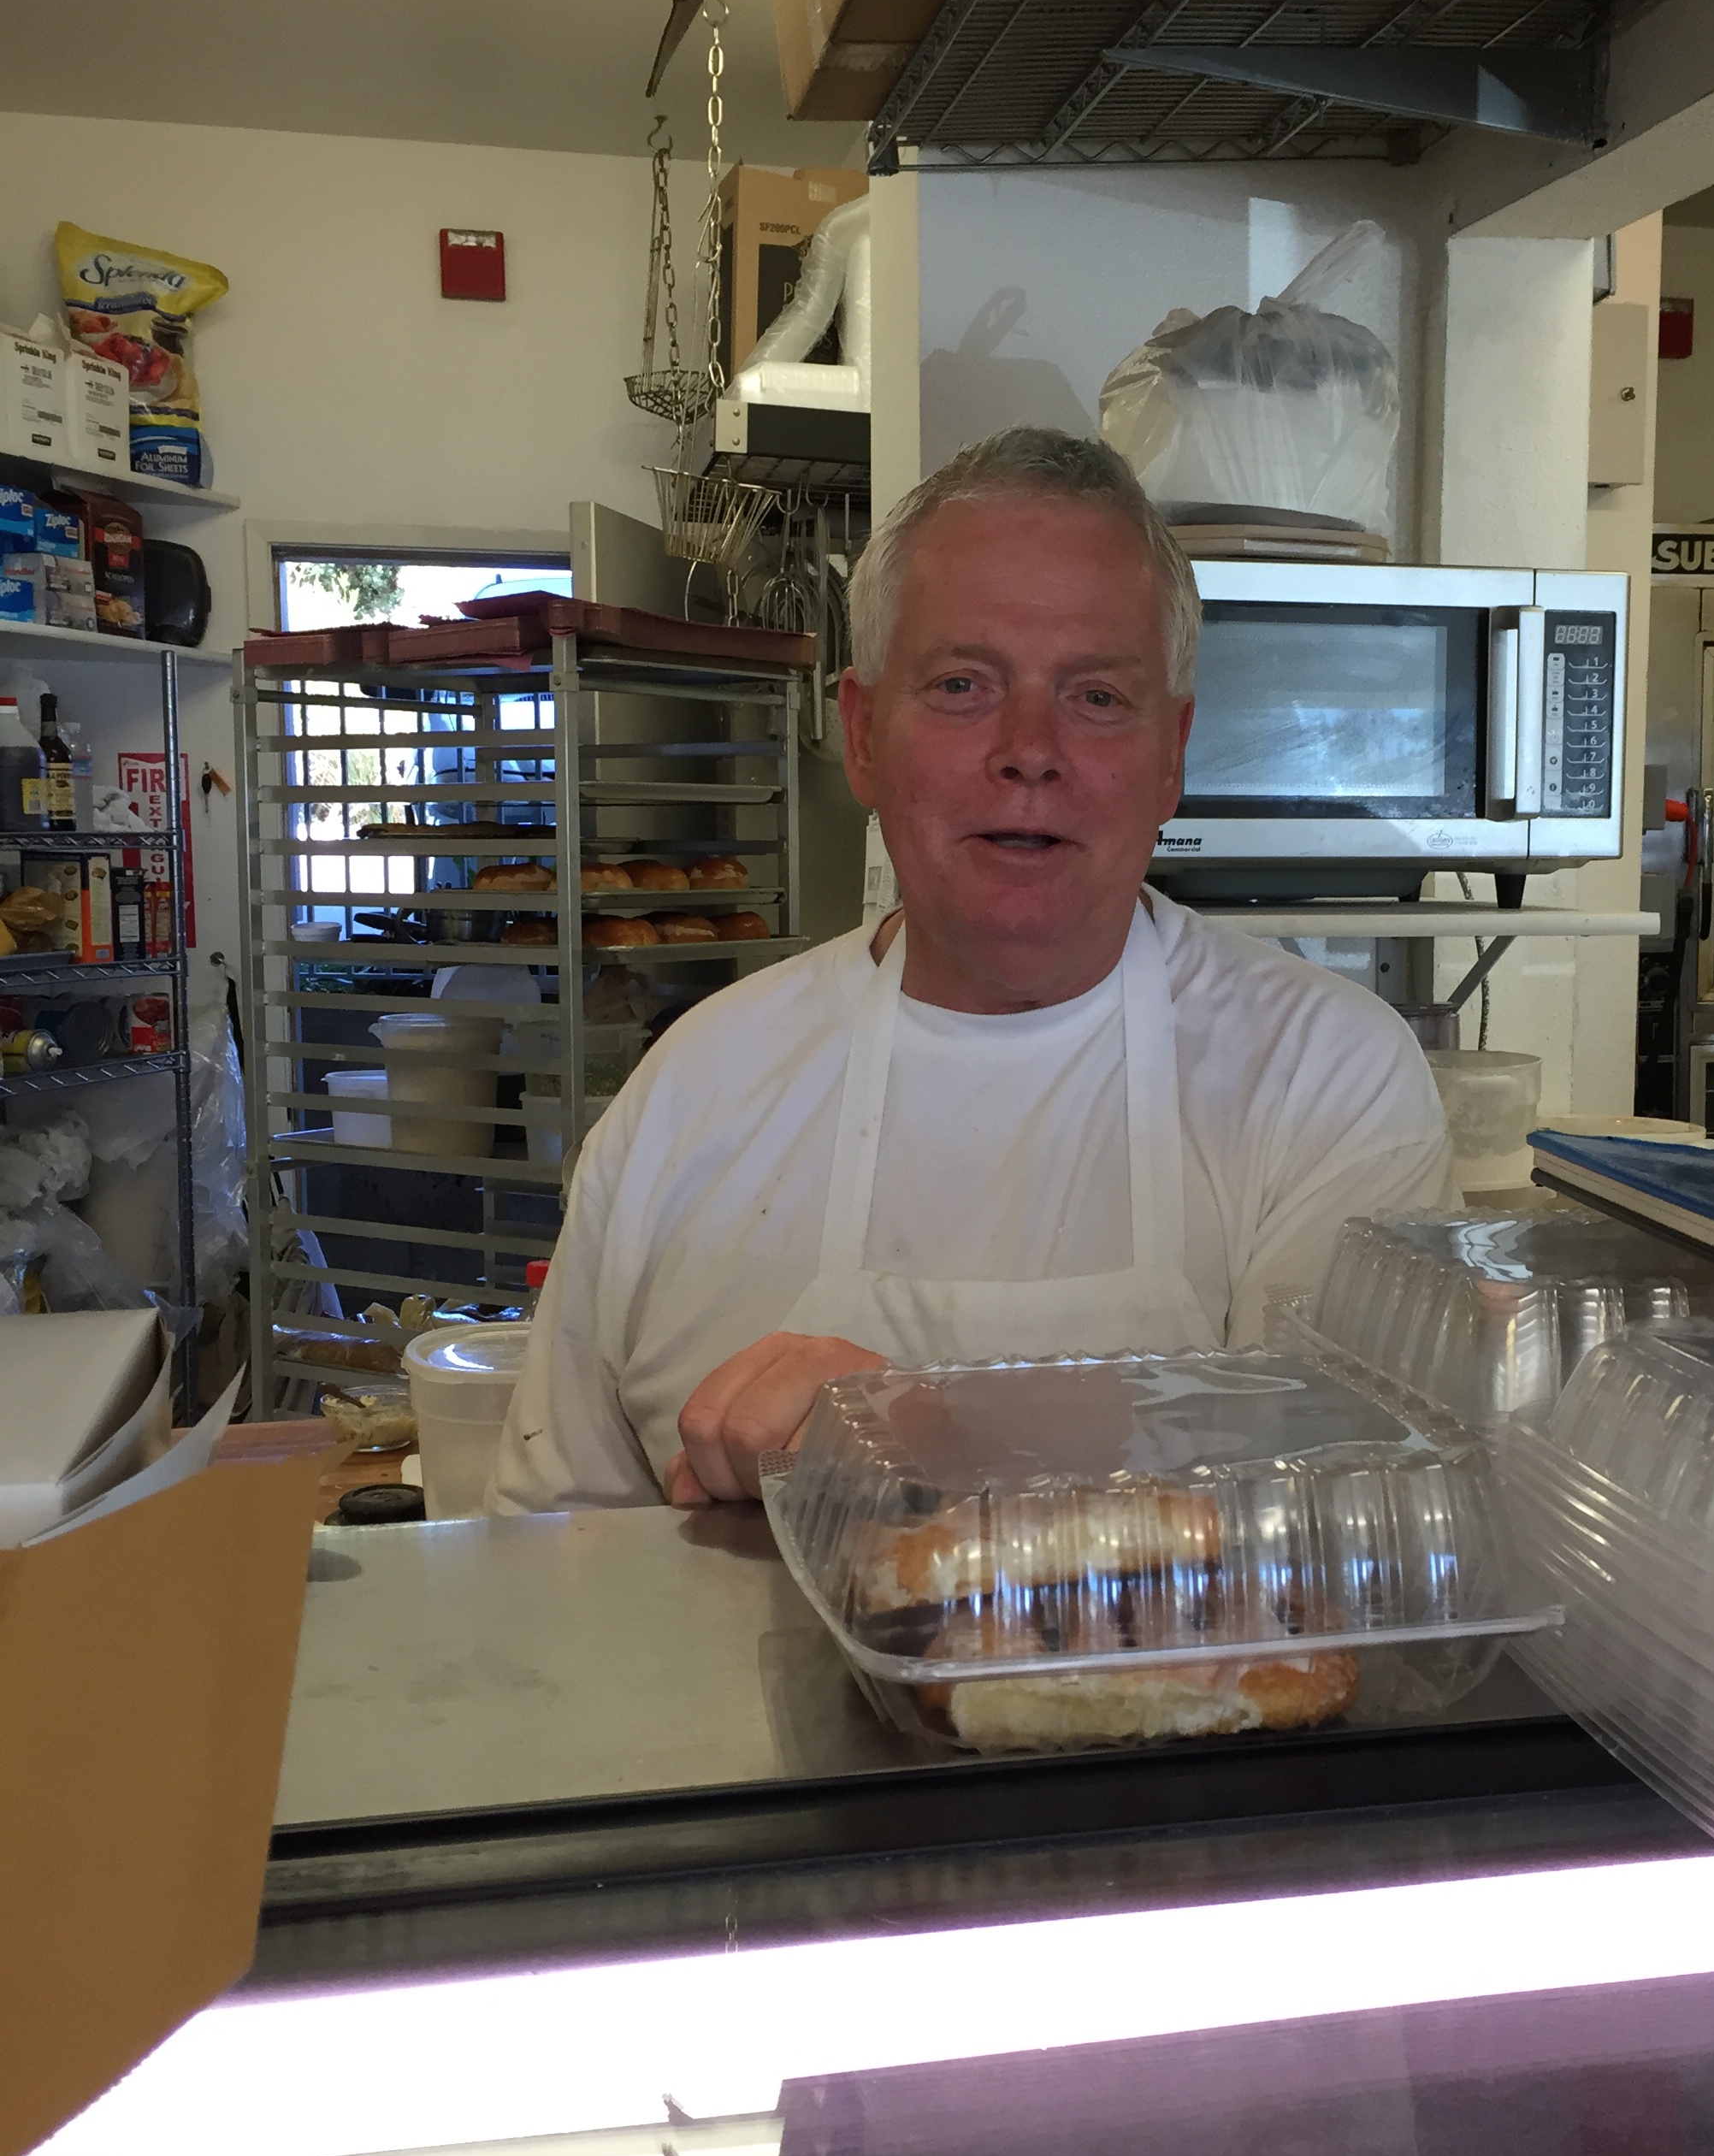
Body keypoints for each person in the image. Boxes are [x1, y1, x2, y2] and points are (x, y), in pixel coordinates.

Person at [492, 426, 1454, 1513]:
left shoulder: (1326, 1081)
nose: (1029, 749)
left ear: (1172, 755)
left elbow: (1361, 1523)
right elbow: (553, 1546)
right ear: (863, 735)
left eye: (1097, 697)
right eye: (961, 685)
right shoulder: (691, 1093)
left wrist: (932, 1444)